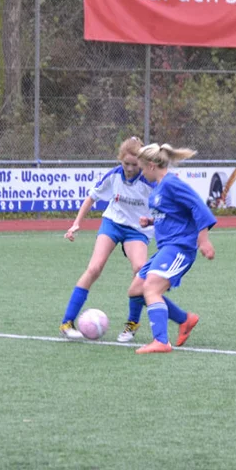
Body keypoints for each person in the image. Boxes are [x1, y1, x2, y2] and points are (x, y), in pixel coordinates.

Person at [59, 136, 156, 342]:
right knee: (94, 268)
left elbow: (164, 209)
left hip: (137, 231)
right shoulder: (114, 176)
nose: (129, 168)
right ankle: (67, 323)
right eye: (125, 163)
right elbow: (91, 198)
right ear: (120, 160)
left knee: (140, 270)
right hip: (112, 223)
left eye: (134, 164)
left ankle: (131, 324)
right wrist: (77, 223)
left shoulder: (150, 182)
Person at [129, 142, 216, 354]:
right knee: (136, 291)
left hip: (180, 248)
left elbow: (198, 206)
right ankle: (184, 320)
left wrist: (203, 240)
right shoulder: (160, 188)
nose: (141, 173)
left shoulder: (171, 183)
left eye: (141, 168)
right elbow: (173, 214)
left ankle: (161, 341)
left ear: (151, 165)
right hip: (166, 247)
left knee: (150, 288)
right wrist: (151, 222)